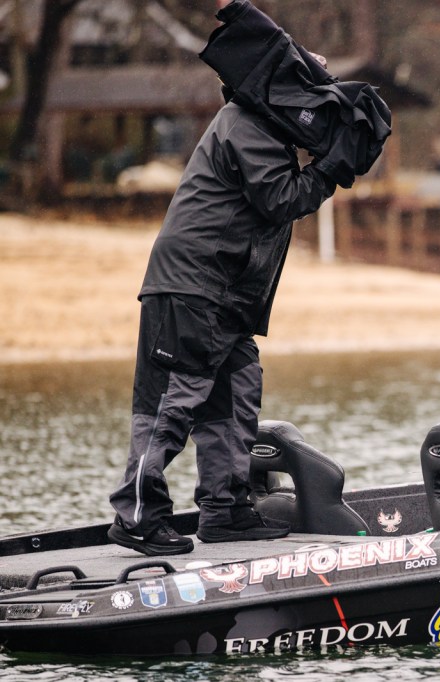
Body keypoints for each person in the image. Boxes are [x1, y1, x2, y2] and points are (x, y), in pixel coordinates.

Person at [107, 59, 338, 556]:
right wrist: (331, 169)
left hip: (227, 296)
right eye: (310, 87)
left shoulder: (267, 129)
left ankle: (225, 511)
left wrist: (329, 156)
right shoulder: (247, 124)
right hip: (193, 289)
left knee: (236, 396)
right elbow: (281, 199)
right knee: (172, 401)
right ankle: (136, 516)